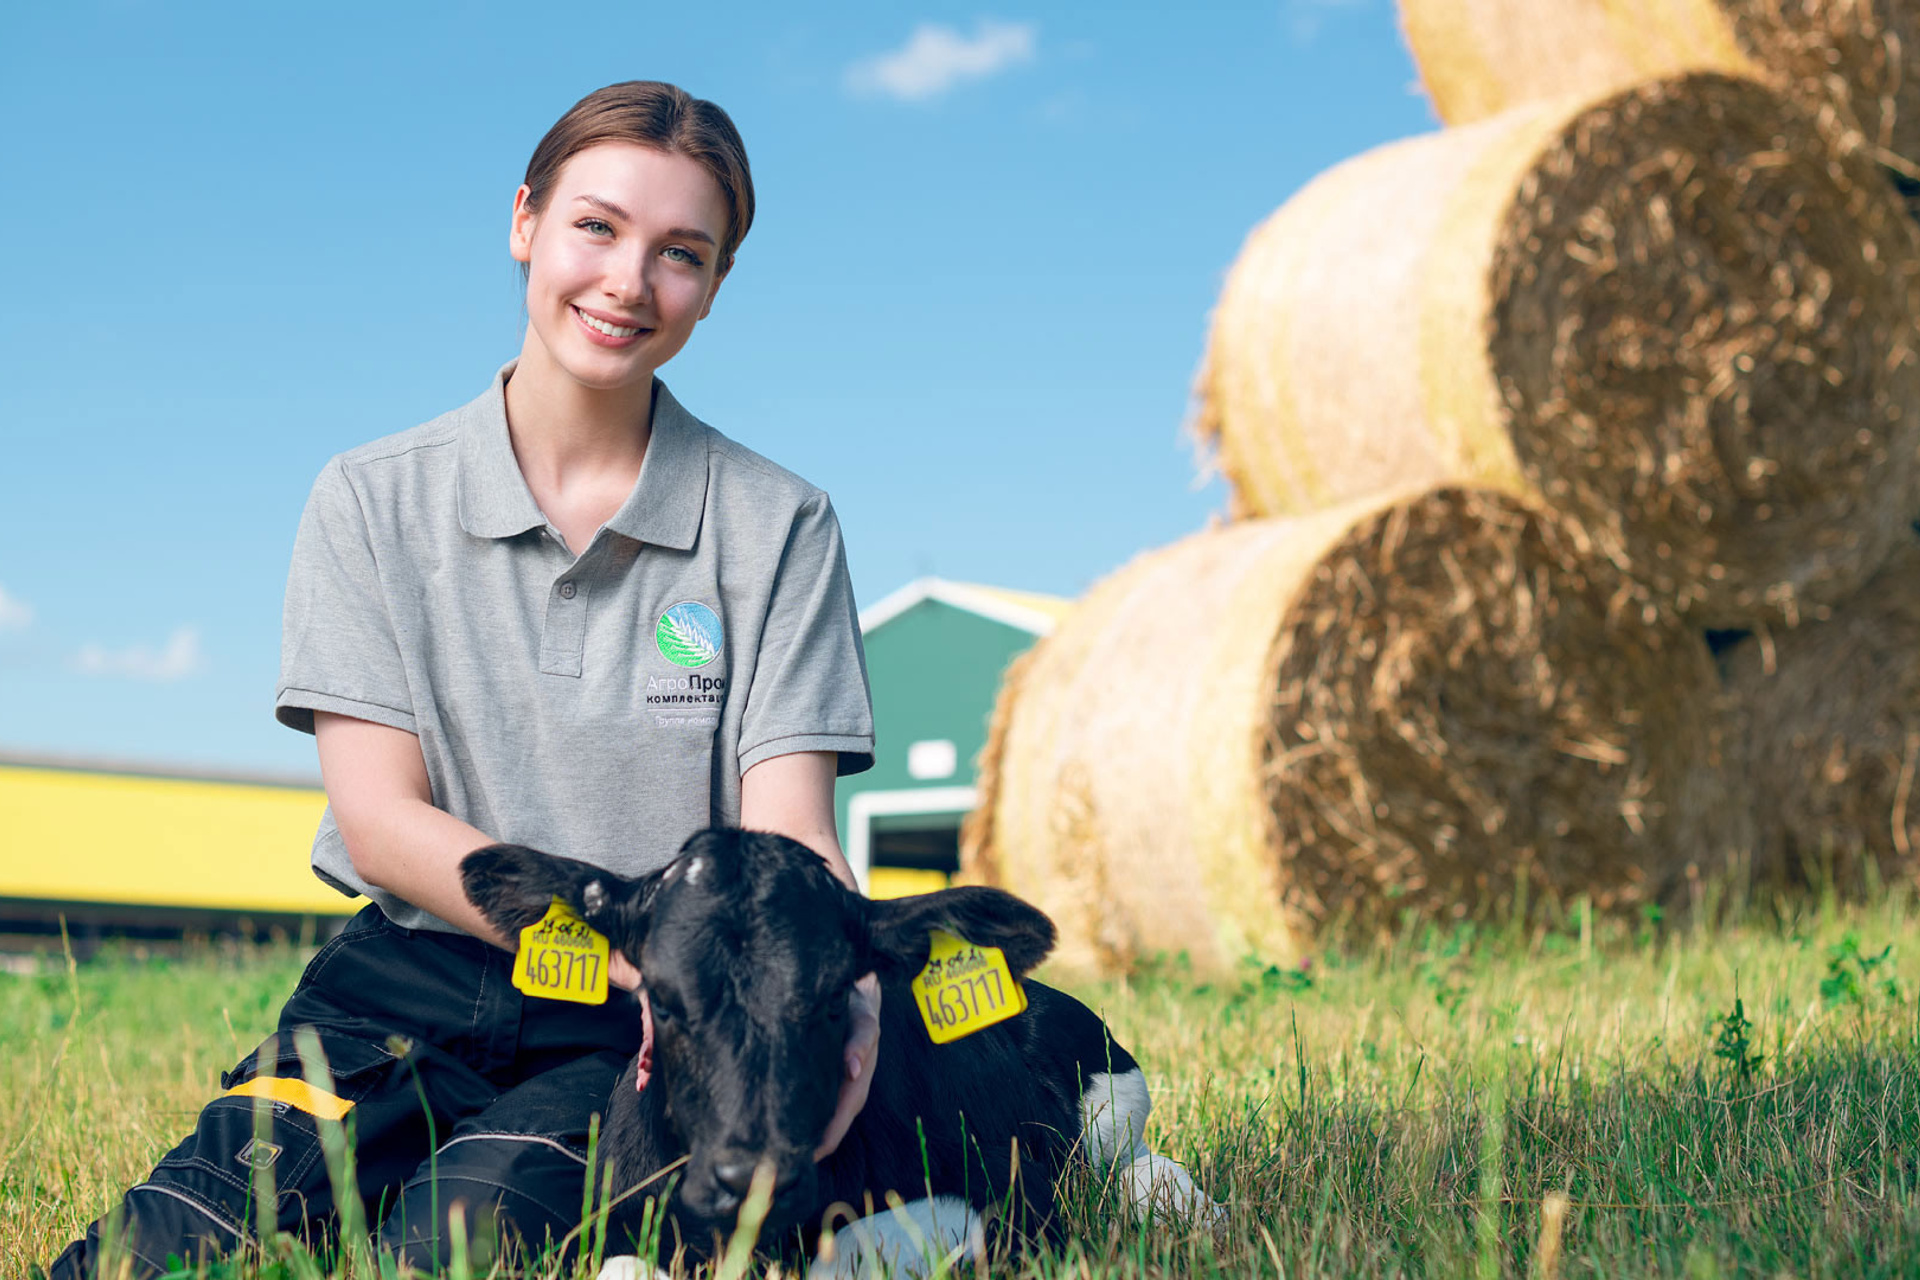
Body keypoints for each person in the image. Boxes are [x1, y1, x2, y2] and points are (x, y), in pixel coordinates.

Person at [47, 79, 879, 1276]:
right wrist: (621, 941)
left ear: (716, 284)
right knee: (168, 1246)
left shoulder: (778, 522)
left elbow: (790, 830)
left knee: (451, 1243)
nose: (629, 282)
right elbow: (380, 822)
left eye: (680, 253)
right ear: (525, 221)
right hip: (398, 987)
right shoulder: (370, 498)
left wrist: (825, 989)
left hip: (641, 1022)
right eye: (596, 226)